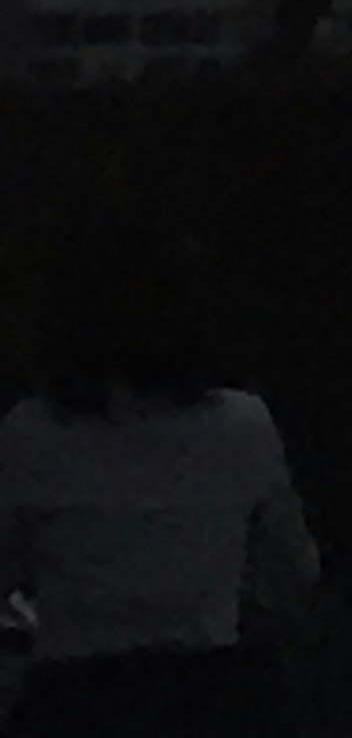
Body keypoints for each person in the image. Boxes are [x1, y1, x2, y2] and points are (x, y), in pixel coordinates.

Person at [0, 223, 317, 738]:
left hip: (79, 701)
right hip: (209, 696)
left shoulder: (32, 433)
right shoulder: (243, 425)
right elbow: (294, 570)